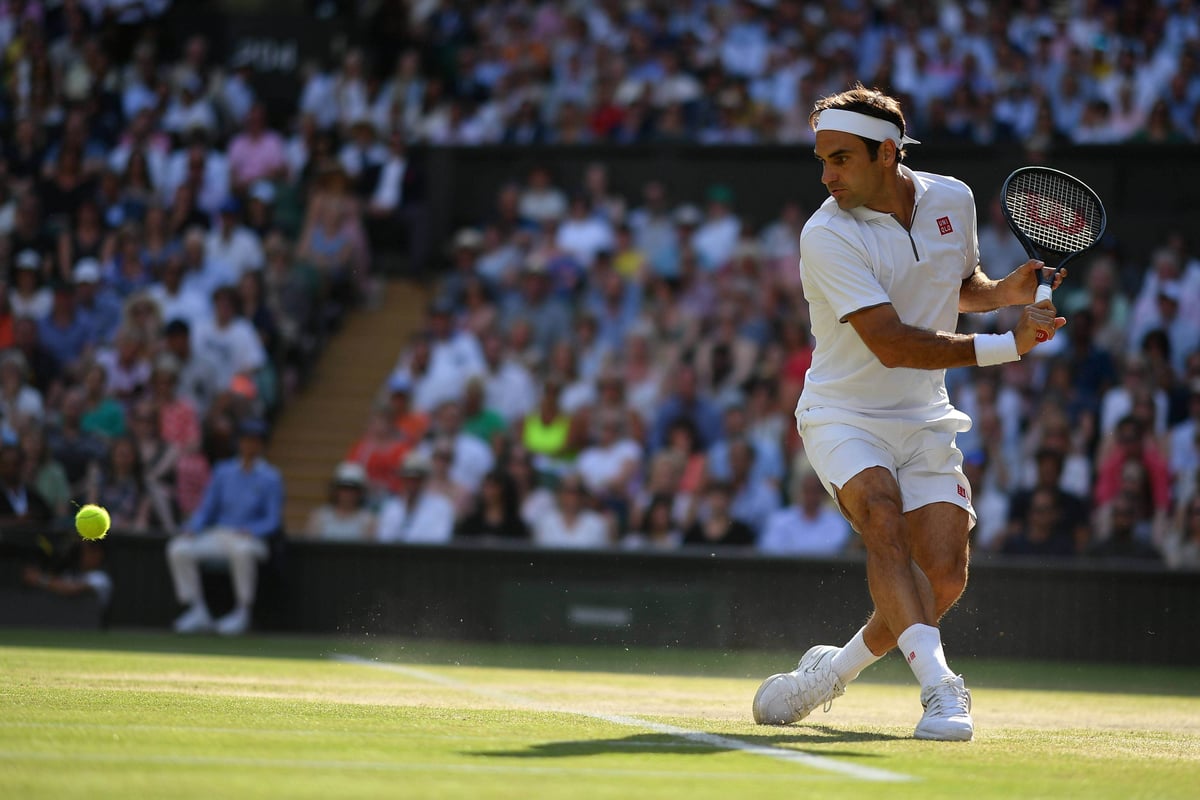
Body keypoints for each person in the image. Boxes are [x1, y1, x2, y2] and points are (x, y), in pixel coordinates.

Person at [751, 85, 1064, 742]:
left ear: (887, 153)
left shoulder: (952, 198)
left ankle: (832, 672)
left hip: (925, 417)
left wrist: (1010, 291)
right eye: (822, 159)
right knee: (883, 519)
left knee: (945, 574)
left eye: (840, 159)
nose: (826, 175)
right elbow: (892, 343)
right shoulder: (825, 234)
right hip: (844, 414)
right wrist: (1012, 344)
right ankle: (941, 690)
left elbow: (957, 288)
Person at [166, 418, 284, 636]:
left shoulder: (271, 477)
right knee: (179, 549)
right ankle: (196, 609)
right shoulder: (222, 471)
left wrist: (252, 530)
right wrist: (193, 528)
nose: (250, 445)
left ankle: (243, 611)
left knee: (242, 550)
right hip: (220, 534)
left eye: (255, 441)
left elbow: (273, 520)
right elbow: (206, 508)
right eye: (246, 440)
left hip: (252, 539)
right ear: (239, 443)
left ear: (262, 445)